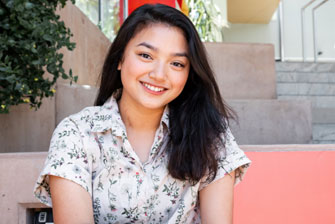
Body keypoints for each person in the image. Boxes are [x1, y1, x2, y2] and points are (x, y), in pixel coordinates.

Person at [34, 4, 251, 224]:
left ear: (189, 73)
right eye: (146, 55)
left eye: (176, 63)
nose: (159, 75)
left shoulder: (211, 136)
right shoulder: (77, 134)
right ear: (120, 59)